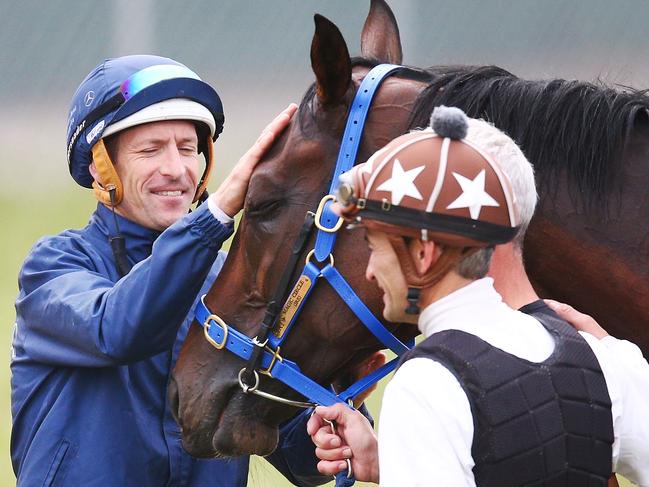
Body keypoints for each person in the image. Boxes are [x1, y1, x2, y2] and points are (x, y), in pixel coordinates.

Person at [10, 54, 325, 486]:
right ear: (99, 167)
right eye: (150, 150)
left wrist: (327, 420)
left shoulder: (230, 284)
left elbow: (295, 456)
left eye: (187, 148)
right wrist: (214, 217)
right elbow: (117, 329)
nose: (176, 170)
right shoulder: (52, 267)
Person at [307, 106, 649, 486]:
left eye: (375, 245)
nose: (370, 271)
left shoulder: (425, 386)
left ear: (424, 254)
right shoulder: (600, 356)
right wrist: (396, 463)